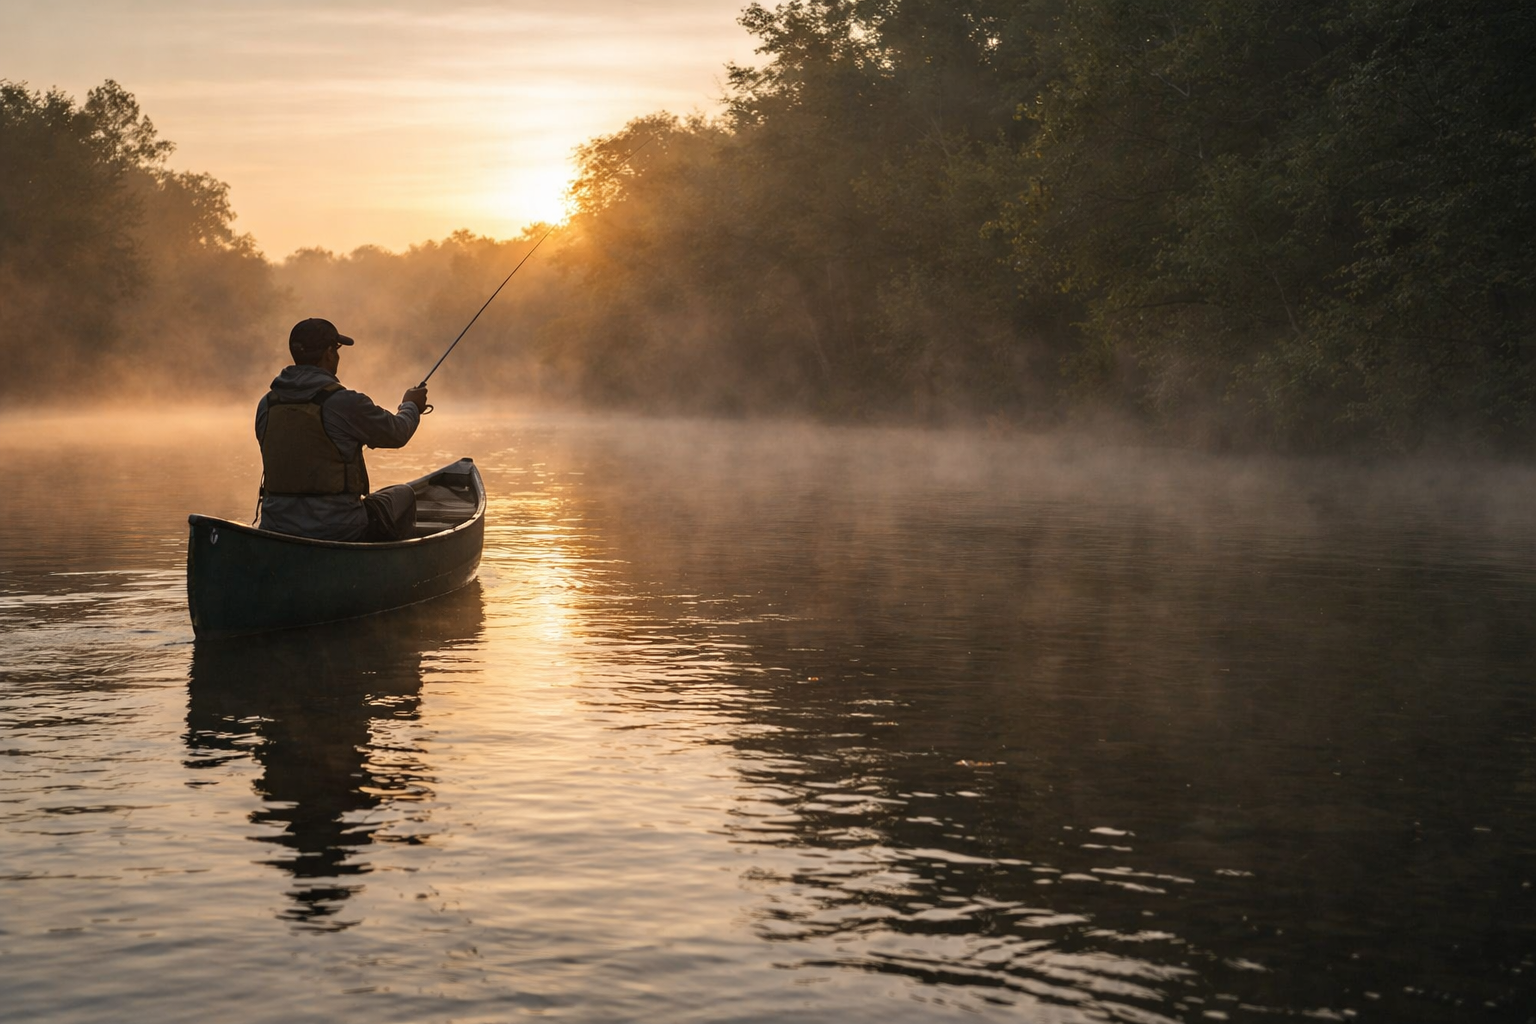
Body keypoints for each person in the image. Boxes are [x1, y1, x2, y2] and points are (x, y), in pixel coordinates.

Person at [255, 317, 429, 541]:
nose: (337, 356)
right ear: (329, 353)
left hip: (275, 526)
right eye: (336, 350)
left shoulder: (267, 404)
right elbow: (397, 433)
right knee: (405, 494)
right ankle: (396, 568)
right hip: (338, 528)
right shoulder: (343, 402)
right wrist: (411, 405)